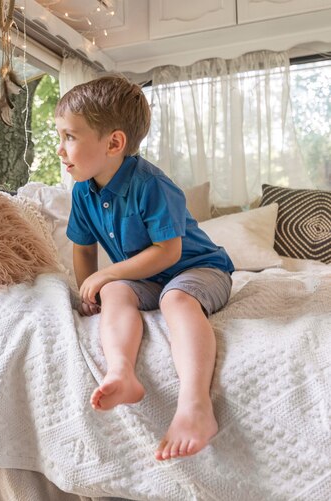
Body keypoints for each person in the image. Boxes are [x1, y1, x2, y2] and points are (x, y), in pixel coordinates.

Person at [55, 75, 234, 461]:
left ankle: (195, 406)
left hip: (199, 269)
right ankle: (122, 372)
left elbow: (168, 253)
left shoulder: (152, 184)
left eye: (70, 136)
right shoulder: (83, 191)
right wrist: (93, 290)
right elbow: (83, 250)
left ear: (114, 143)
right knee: (113, 291)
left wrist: (108, 273)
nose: (60, 149)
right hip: (144, 278)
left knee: (177, 299)